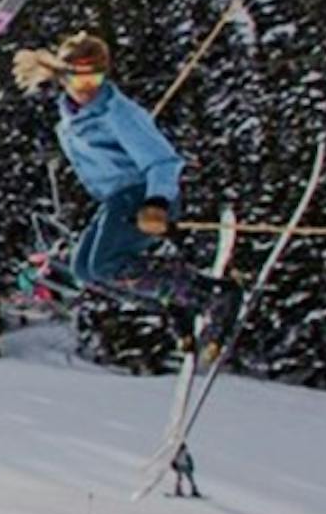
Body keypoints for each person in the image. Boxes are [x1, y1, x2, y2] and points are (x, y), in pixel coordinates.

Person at [13, 32, 241, 354]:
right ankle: (174, 301)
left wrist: (157, 203)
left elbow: (164, 160)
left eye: (95, 77)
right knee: (85, 272)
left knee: (106, 265)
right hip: (116, 199)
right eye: (78, 79)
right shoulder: (70, 120)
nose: (87, 87)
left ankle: (212, 295)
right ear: (63, 77)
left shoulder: (118, 112)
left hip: (142, 195)